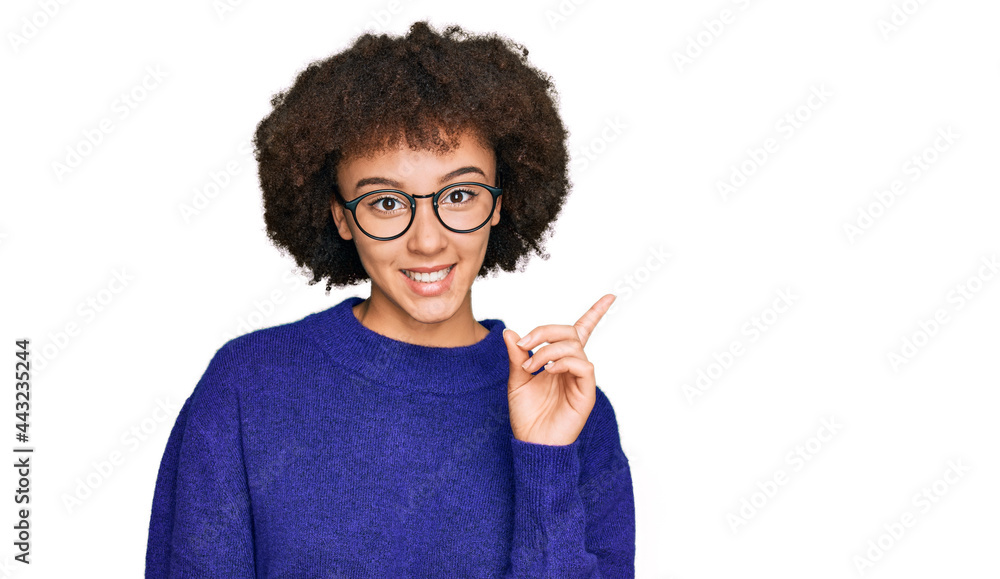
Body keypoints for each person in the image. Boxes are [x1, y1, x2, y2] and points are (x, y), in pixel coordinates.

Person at [145, 20, 635, 578]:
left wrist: (543, 461)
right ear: (340, 217)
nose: (427, 239)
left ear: (500, 203)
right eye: (384, 203)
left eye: (459, 194)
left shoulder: (571, 409)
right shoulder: (249, 385)